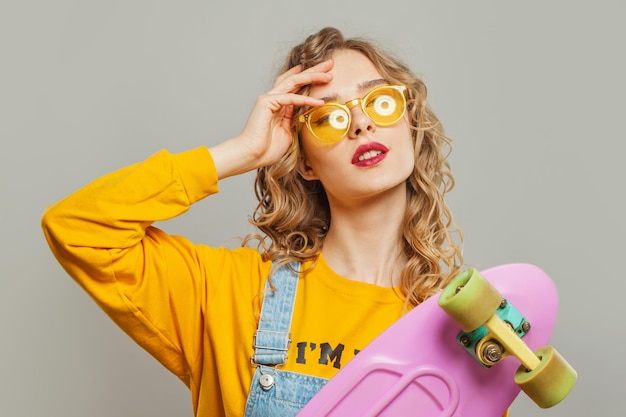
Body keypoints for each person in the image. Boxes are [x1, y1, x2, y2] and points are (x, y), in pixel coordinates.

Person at [42, 27, 477, 417]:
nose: (361, 123)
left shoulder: (458, 331)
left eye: (380, 101)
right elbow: (76, 228)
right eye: (328, 118)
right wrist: (242, 152)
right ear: (304, 161)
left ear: (411, 123)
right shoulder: (229, 293)